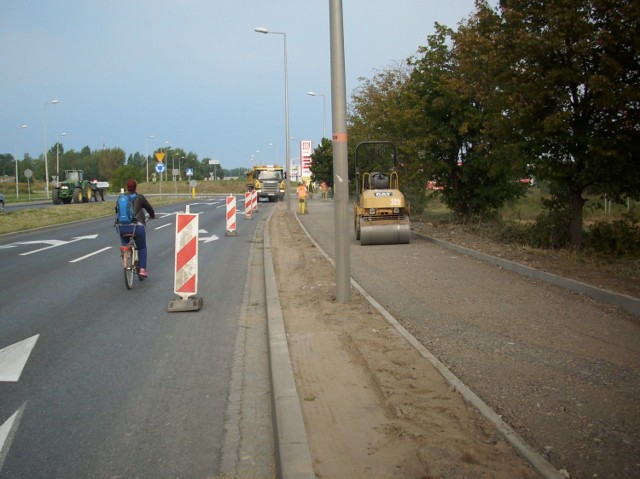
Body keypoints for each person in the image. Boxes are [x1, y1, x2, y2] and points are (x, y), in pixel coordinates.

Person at [115, 179, 156, 277]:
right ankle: (142, 269)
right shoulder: (140, 197)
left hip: (122, 227)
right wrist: (152, 215)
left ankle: (125, 252)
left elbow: (117, 211)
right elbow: (149, 209)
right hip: (137, 228)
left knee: (125, 244)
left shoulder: (121, 198)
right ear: (136, 187)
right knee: (142, 247)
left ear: (126, 188)